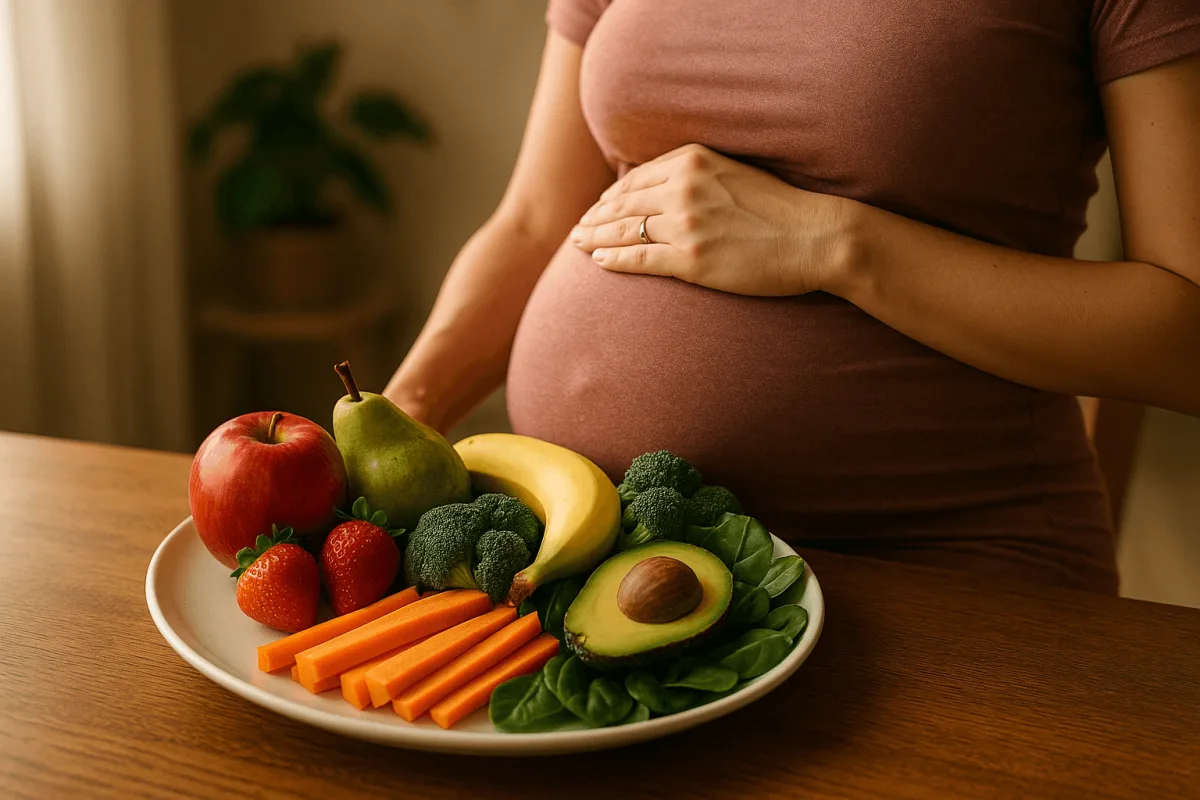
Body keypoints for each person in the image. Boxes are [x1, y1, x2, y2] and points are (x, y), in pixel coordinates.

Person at [385, 0, 1200, 594]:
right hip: (597, 560)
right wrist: (391, 428)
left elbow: (1186, 331)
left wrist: (833, 244)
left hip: (926, 572)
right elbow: (535, 223)